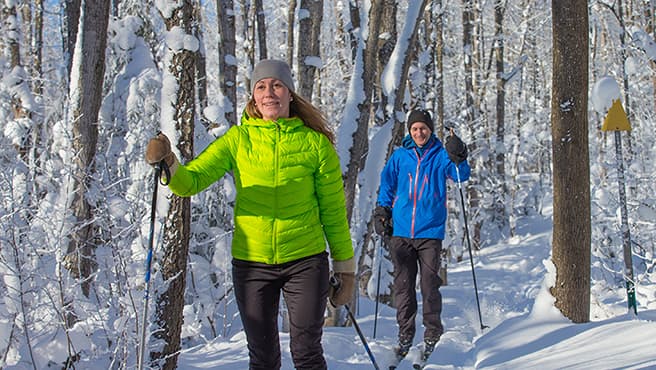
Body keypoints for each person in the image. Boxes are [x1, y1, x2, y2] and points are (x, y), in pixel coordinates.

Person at [145, 59, 355, 370]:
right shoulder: (237, 140)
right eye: (261, 86)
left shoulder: (315, 145)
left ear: (290, 94)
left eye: (277, 85)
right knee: (263, 357)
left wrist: (345, 268)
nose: (269, 92)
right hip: (252, 263)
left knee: (307, 351)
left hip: (305, 260)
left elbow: (333, 211)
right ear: (253, 97)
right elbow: (192, 182)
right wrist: (169, 164)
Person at [374, 109, 470, 363]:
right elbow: (387, 185)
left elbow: (461, 176)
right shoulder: (399, 157)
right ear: (410, 131)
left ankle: (432, 335)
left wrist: (458, 154)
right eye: (415, 129)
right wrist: (382, 210)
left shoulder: (440, 155)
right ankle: (405, 337)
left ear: (430, 129)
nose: (419, 132)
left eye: (423, 128)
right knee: (403, 288)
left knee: (429, 285)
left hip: (430, 233)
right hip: (401, 233)